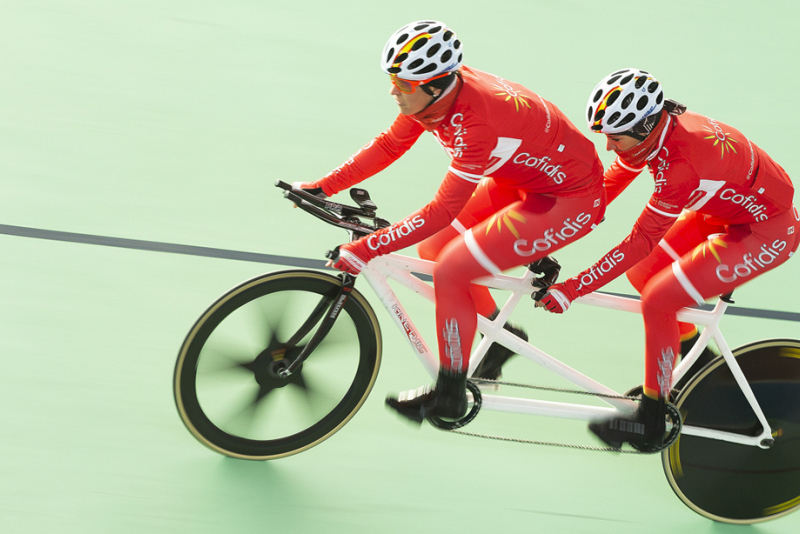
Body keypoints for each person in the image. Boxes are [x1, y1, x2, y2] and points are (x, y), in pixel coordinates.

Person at [294, 20, 606, 423]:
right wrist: (323, 187)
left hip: (569, 200)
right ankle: (500, 340)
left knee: (453, 271)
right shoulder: (435, 96)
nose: (394, 90)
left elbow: (441, 210)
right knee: (434, 249)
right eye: (393, 78)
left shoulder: (476, 125)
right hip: (526, 180)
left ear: (437, 84)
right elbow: (391, 144)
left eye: (404, 84)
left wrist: (366, 247)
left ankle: (450, 394)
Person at [539, 68, 798, 450]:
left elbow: (640, 240)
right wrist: (553, 227)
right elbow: (609, 184)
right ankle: (698, 365)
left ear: (643, 127)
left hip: (767, 233)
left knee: (660, 300)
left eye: (614, 137)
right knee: (645, 276)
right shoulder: (655, 133)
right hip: (725, 212)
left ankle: (651, 418)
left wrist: (573, 288)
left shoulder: (680, 167)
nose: (608, 146)